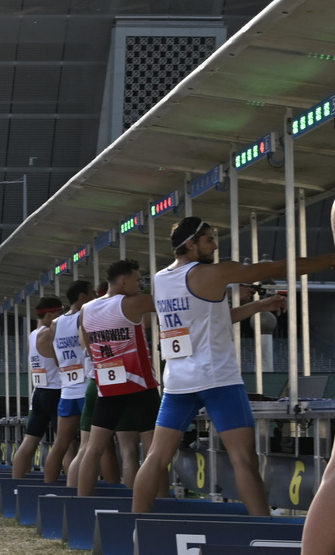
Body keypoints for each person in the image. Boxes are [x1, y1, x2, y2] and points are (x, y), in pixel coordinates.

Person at [130, 217, 315, 516]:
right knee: (244, 460)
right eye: (209, 239)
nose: (215, 245)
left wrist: (255, 306)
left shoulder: (161, 279)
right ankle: (261, 529)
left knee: (155, 457)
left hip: (178, 381)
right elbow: (278, 268)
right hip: (219, 380)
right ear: (190, 244)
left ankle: (134, 526)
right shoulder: (213, 272)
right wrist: (330, 260)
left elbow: (209, 320)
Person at [75, 260, 163, 499]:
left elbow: (87, 345)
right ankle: (162, 502)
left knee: (93, 449)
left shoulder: (87, 309)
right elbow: (175, 301)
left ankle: (81, 503)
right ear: (123, 281)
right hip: (139, 385)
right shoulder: (132, 303)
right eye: (138, 280)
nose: (141, 285)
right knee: (155, 451)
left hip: (107, 385)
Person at [42, 280, 94, 483]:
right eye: (92, 293)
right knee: (98, 447)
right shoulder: (85, 315)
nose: (95, 298)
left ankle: (48, 486)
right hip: (85, 387)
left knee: (60, 444)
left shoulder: (55, 323)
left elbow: (55, 357)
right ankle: (108, 487)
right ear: (82, 297)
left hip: (67, 390)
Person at [9, 297, 65, 479]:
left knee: (28, 442)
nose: (62, 317)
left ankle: (15, 482)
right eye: (59, 314)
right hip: (55, 391)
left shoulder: (32, 335)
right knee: (66, 445)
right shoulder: (49, 333)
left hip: (39, 392)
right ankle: (71, 486)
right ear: (50, 315)